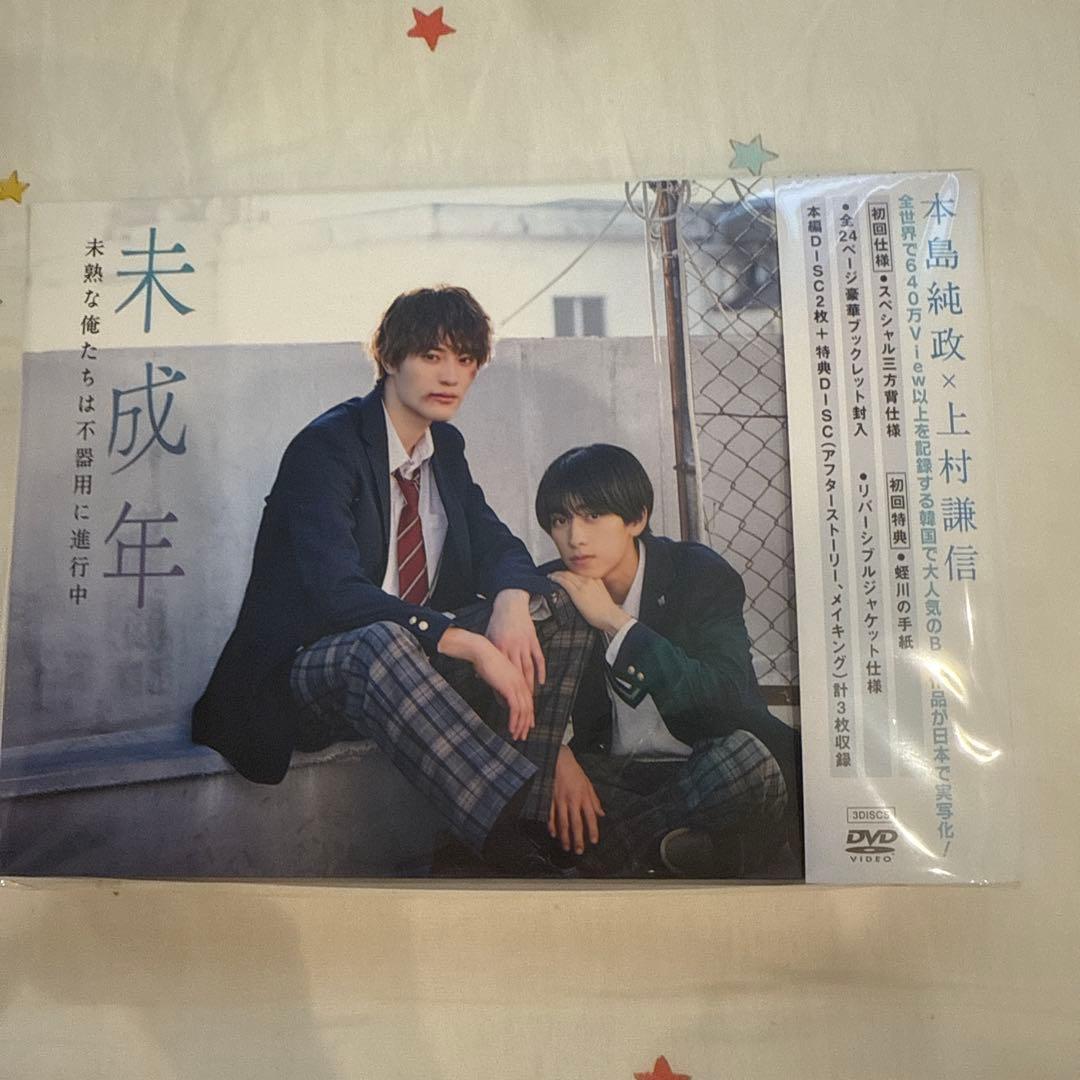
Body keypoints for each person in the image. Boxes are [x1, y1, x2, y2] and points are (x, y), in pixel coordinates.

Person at [192, 286, 593, 876]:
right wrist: (468, 642)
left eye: (465, 360)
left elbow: (497, 544)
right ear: (389, 357)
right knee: (383, 641)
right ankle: (510, 842)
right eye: (432, 356)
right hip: (311, 670)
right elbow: (336, 595)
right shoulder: (327, 447)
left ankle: (527, 829)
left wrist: (510, 601)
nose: (450, 375)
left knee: (555, 602)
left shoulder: (444, 447)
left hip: (412, 662)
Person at [534, 443, 801, 877]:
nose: (575, 537)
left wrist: (619, 625)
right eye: (560, 520)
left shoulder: (697, 574)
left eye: (593, 516)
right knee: (536, 783)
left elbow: (726, 698)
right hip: (619, 775)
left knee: (746, 761)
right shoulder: (554, 588)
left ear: (636, 519)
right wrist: (557, 756)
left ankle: (594, 866)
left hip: (708, 763)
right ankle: (676, 852)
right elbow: (513, 691)